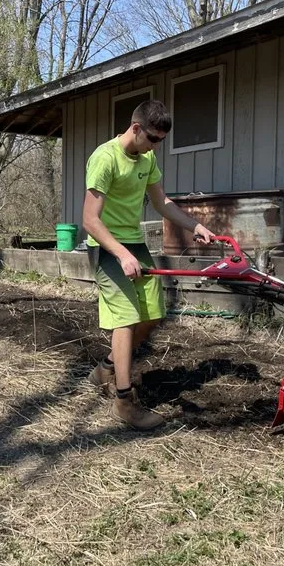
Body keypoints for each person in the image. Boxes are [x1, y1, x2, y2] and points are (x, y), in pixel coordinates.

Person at [82, 99, 215, 430]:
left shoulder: (147, 157)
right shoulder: (104, 158)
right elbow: (89, 220)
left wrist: (194, 225)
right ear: (136, 128)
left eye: (161, 142)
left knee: (153, 313)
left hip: (134, 243)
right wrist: (121, 254)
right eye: (153, 139)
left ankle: (106, 370)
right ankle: (124, 402)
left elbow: (161, 202)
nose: (157, 146)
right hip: (106, 245)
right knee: (125, 317)